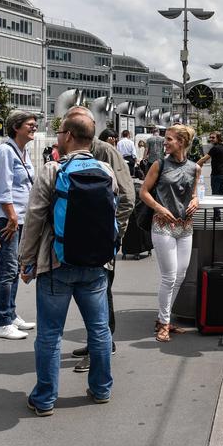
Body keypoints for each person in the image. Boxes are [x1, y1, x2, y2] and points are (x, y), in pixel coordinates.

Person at [19, 114, 116, 415]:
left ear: (71, 136)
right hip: (96, 264)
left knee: (50, 333)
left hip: (55, 263)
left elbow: (34, 217)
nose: (57, 136)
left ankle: (45, 398)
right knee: (99, 329)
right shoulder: (106, 170)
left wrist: (26, 260)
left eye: (60, 131)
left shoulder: (53, 169)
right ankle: (101, 388)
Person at [63, 106, 134, 373]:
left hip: (100, 239)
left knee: (101, 293)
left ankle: (102, 346)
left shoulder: (104, 151)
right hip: (79, 238)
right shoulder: (71, 153)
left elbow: (127, 196)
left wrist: (114, 233)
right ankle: (96, 342)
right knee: (89, 294)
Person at [139, 124, 200, 343]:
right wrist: (159, 208)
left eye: (170, 139)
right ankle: (164, 323)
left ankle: (162, 318)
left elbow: (194, 193)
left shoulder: (195, 168)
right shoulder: (159, 164)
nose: (165, 143)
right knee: (169, 277)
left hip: (185, 226)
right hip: (162, 225)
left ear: (182, 142)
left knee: (180, 277)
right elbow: (143, 191)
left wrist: (195, 200)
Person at [0, 111, 38, 340]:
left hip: (19, 217)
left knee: (14, 268)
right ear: (16, 127)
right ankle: (3, 322)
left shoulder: (22, 152)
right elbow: (3, 188)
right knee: (7, 269)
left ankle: (11, 313)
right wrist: (11, 217)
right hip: (7, 218)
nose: (34, 128)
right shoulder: (5, 152)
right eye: (30, 124)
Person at [198, 132, 223, 196]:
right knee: (220, 193)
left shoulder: (215, 148)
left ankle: (220, 206)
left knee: (215, 195)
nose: (211, 139)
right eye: (210, 137)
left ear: (218, 138)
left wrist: (194, 166)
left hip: (217, 175)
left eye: (213, 137)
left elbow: (204, 159)